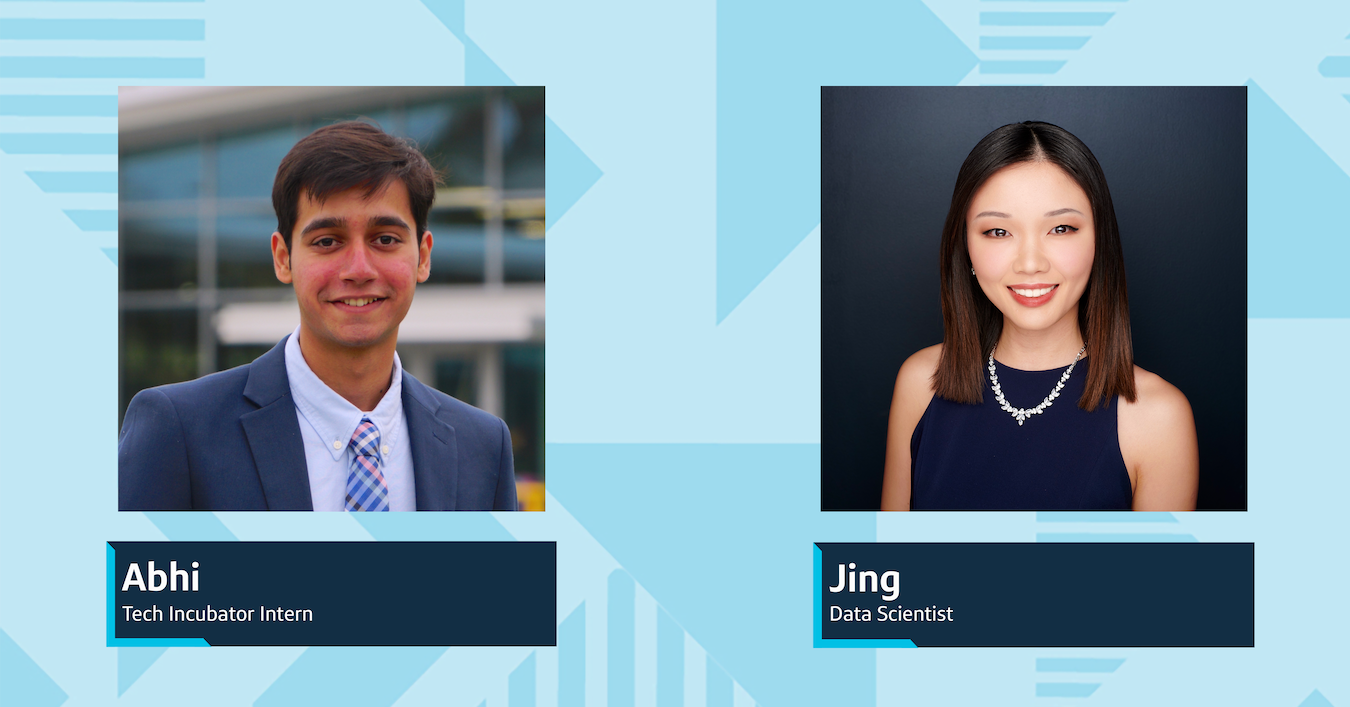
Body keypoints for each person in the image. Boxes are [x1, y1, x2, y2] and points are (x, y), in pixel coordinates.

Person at [119, 121, 516, 511]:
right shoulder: (180, 431)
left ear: (423, 257)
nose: (359, 269)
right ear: (283, 258)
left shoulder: (483, 446)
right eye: (327, 241)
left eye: (385, 239)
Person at [880, 121, 1197, 511]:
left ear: (1099, 240)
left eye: (1061, 228)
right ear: (966, 247)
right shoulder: (920, 383)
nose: (1030, 263)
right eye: (998, 232)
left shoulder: (1157, 418)